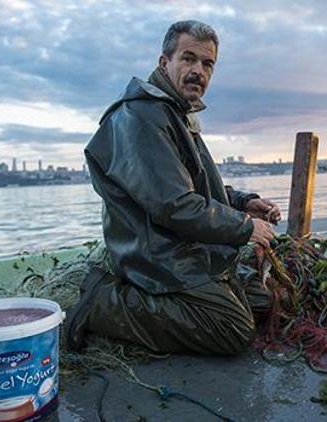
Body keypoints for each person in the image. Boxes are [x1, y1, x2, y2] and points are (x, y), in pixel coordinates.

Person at [65, 20, 280, 355]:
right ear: (164, 62)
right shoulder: (141, 116)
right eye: (188, 59)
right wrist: (244, 227)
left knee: (262, 300)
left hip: (182, 247)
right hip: (155, 255)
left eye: (208, 64)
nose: (199, 71)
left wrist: (243, 203)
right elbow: (174, 204)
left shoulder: (174, 113)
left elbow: (197, 186)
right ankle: (103, 302)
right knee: (233, 329)